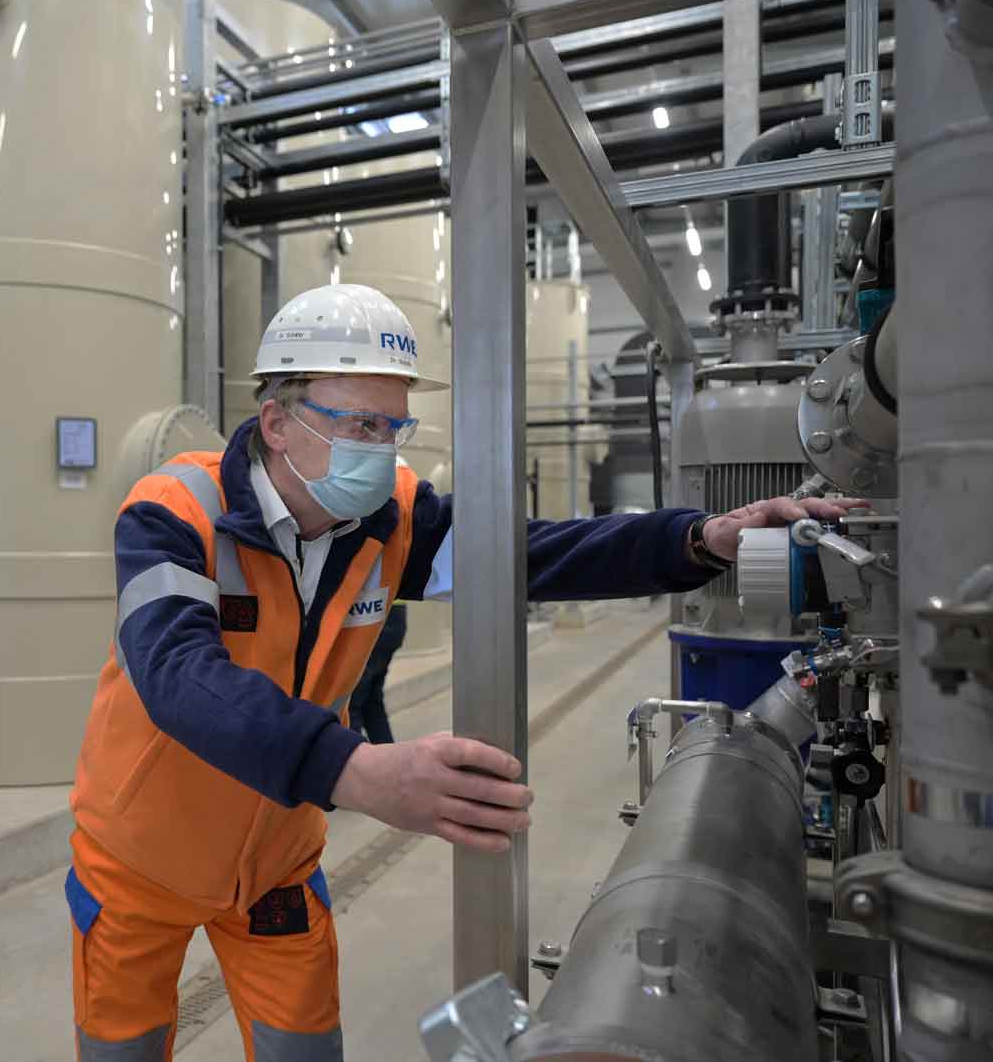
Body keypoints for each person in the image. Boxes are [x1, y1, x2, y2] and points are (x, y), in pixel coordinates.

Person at [66, 284, 856, 1062]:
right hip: (142, 863)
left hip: (275, 864)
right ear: (276, 421)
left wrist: (698, 539)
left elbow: (533, 553)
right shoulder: (175, 510)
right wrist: (355, 768)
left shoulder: (387, 520)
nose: (382, 447)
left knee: (304, 1050)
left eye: (394, 425)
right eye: (361, 424)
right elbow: (175, 674)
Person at [346, 599, 404, 744]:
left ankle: (355, 763)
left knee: (350, 704)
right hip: (392, 616)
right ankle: (392, 764)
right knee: (371, 704)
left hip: (367, 616)